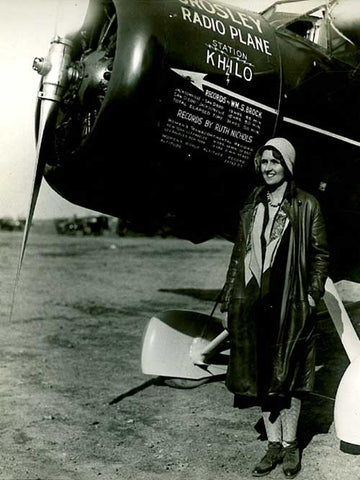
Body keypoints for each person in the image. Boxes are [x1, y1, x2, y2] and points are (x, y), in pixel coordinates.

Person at [221, 137, 329, 478]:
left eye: (276, 162)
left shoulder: (306, 205)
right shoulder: (252, 204)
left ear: (288, 167)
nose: (268, 167)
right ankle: (273, 446)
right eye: (265, 161)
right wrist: (230, 294)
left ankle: (291, 446)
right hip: (254, 301)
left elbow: (320, 254)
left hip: (290, 301)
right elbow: (240, 254)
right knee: (262, 373)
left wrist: (312, 295)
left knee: (291, 375)